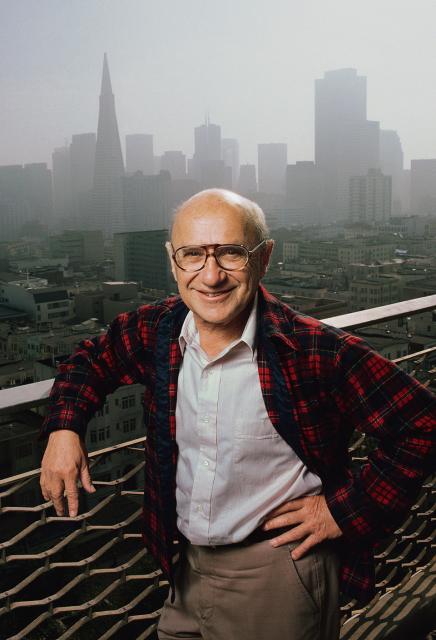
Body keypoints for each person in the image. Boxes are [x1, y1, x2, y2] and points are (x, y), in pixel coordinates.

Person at [39, 189, 435, 640]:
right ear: (173, 261)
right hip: (183, 570)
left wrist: (343, 512)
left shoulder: (313, 350)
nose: (211, 276)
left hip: (278, 572)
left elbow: (423, 424)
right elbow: (89, 360)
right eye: (193, 255)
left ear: (263, 259)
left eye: (231, 253)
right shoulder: (158, 330)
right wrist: (64, 429)